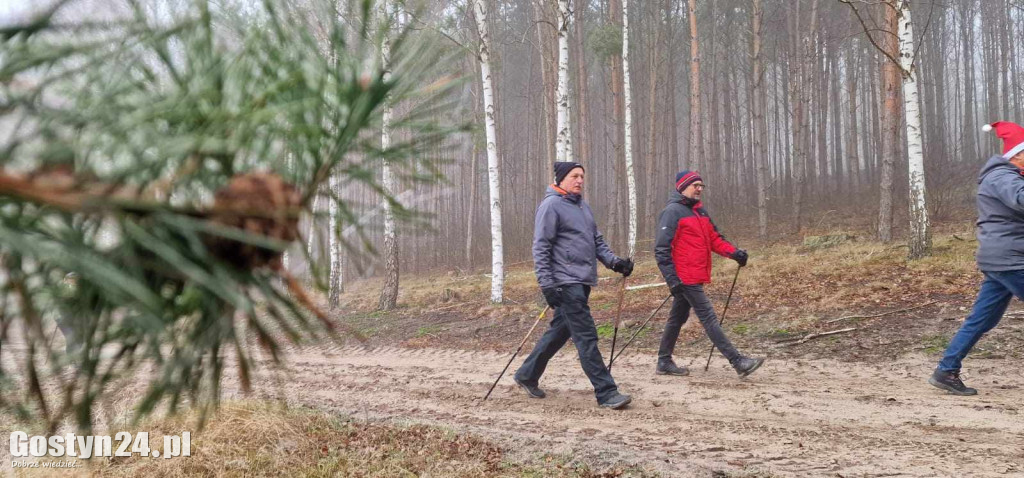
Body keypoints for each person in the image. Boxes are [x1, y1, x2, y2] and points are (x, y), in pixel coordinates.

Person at [513, 161, 635, 409]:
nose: (579, 180)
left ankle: (527, 374)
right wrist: (547, 284)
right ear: (560, 179)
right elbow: (541, 247)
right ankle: (606, 392)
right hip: (564, 282)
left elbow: (596, 240)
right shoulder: (550, 206)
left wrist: (615, 263)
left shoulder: (582, 207)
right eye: (574, 176)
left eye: (581, 176)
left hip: (582, 280)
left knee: (560, 332)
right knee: (586, 336)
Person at [930, 121, 1024, 396]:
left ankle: (946, 370)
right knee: (981, 320)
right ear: (1016, 154)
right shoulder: (1002, 177)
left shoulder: (1007, 175)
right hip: (1011, 259)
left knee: (982, 320)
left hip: (1002, 258)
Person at [652, 170, 764, 378]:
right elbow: (661, 249)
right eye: (696, 185)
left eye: (701, 186)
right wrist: (672, 279)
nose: (700, 189)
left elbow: (714, 239)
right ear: (683, 187)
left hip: (695, 274)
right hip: (684, 277)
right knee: (709, 317)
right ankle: (738, 361)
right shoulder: (672, 212)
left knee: (678, 317)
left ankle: (664, 361)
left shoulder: (699, 212)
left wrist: (735, 253)